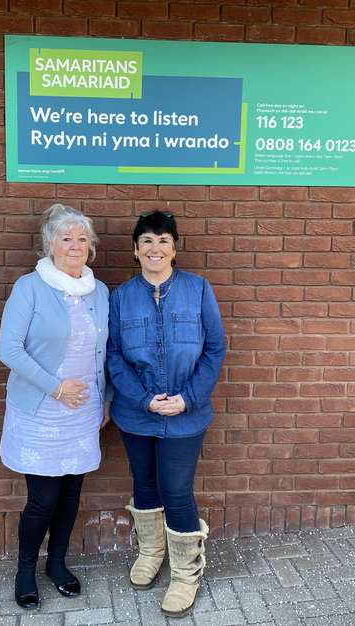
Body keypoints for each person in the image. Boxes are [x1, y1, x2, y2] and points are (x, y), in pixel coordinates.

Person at [106, 210, 226, 618]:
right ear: (135, 251)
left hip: (185, 415)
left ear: (175, 248)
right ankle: (152, 553)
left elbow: (214, 349)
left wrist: (187, 397)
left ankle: (186, 573)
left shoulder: (198, 289)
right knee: (144, 483)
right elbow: (114, 356)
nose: (154, 248)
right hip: (136, 413)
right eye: (146, 241)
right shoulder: (120, 297)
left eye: (163, 240)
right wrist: (144, 400)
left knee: (176, 490)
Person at [0, 204, 110, 610]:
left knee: (70, 493)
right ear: (50, 244)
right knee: (43, 498)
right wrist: (55, 387)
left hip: (82, 410)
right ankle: (26, 569)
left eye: (82, 239)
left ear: (91, 247)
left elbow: (103, 351)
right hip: (42, 410)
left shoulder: (100, 292)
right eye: (66, 238)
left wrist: (105, 400)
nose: (75, 245)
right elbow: (8, 349)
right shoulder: (29, 287)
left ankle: (57, 565)